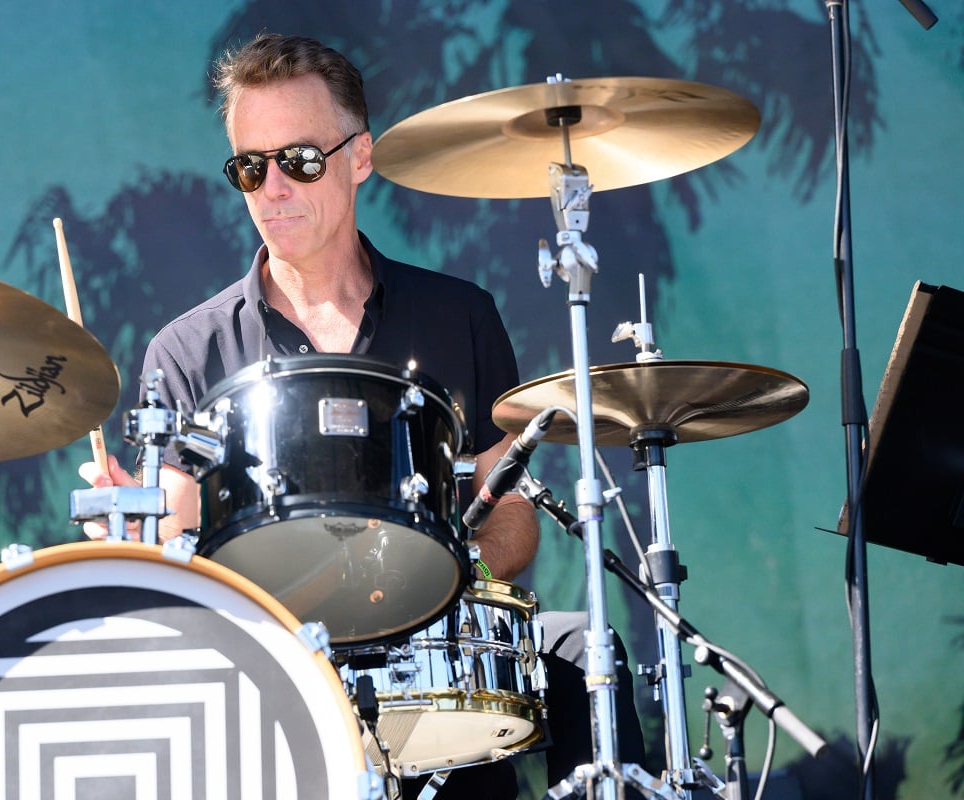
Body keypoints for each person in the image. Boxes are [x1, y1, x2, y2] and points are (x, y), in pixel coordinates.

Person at [79, 32, 645, 798]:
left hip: (433, 656)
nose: (272, 187)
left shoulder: (458, 316)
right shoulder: (188, 349)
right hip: (274, 674)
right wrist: (134, 536)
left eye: (299, 160)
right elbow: (178, 537)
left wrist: (448, 573)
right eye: (250, 166)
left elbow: (511, 513)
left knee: (583, 653)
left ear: (359, 158)